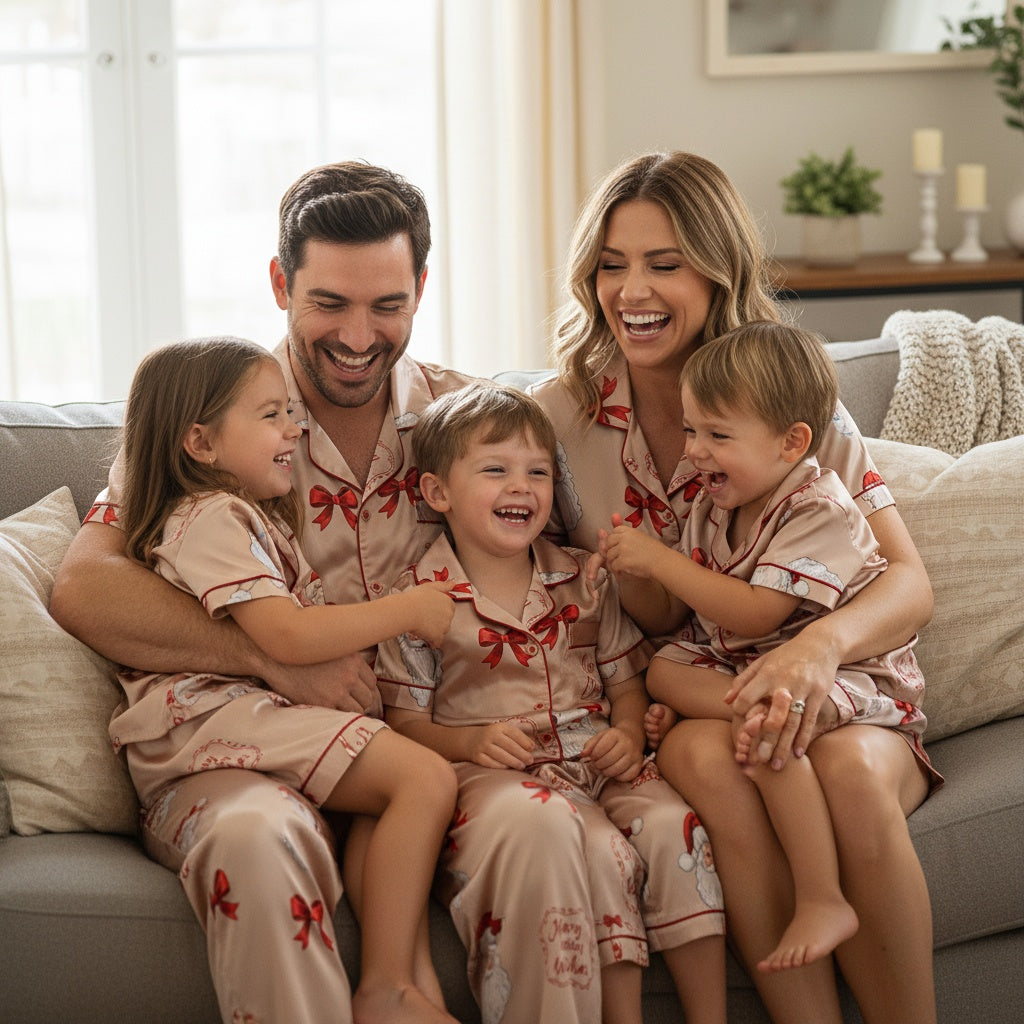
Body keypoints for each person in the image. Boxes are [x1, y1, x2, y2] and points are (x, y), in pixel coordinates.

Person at [49, 161, 483, 1024]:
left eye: (387, 305)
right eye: (330, 302)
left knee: (537, 833)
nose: (359, 335)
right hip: (237, 760)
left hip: (413, 746)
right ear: (281, 282)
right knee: (254, 839)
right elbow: (85, 586)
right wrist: (269, 658)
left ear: (421, 289)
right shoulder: (213, 418)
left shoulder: (473, 422)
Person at [530, 151, 940, 1024]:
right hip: (689, 692)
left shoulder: (790, 400)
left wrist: (817, 649)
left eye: (664, 263)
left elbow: (907, 582)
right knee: (723, 765)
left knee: (847, 775)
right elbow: (627, 611)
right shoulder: (561, 420)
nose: (631, 289)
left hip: (830, 682)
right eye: (612, 264)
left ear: (718, 273)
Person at [113, 334, 459, 1024]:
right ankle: (387, 984)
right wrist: (406, 610)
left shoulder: (248, 518)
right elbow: (285, 637)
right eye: (272, 416)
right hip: (210, 724)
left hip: (237, 723)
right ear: (201, 444)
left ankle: (410, 984)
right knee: (424, 778)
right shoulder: (215, 517)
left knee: (386, 793)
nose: (294, 430)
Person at [592, 322, 941, 976]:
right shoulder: (715, 502)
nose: (694, 452)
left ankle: (821, 896)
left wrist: (664, 563)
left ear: (793, 442)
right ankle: (743, 709)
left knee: (773, 728)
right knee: (663, 668)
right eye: (691, 431)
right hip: (749, 664)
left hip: (853, 676)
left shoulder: (815, 503)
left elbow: (757, 612)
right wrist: (632, 572)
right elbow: (683, 619)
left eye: (716, 436)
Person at [375, 381, 727, 1024]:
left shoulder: (582, 576)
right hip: (503, 779)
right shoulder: (418, 599)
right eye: (496, 469)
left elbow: (625, 682)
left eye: (538, 471)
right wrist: (468, 743)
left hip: (601, 760)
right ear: (437, 492)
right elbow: (404, 724)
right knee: (601, 852)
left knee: (678, 830)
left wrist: (627, 728)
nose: (523, 486)